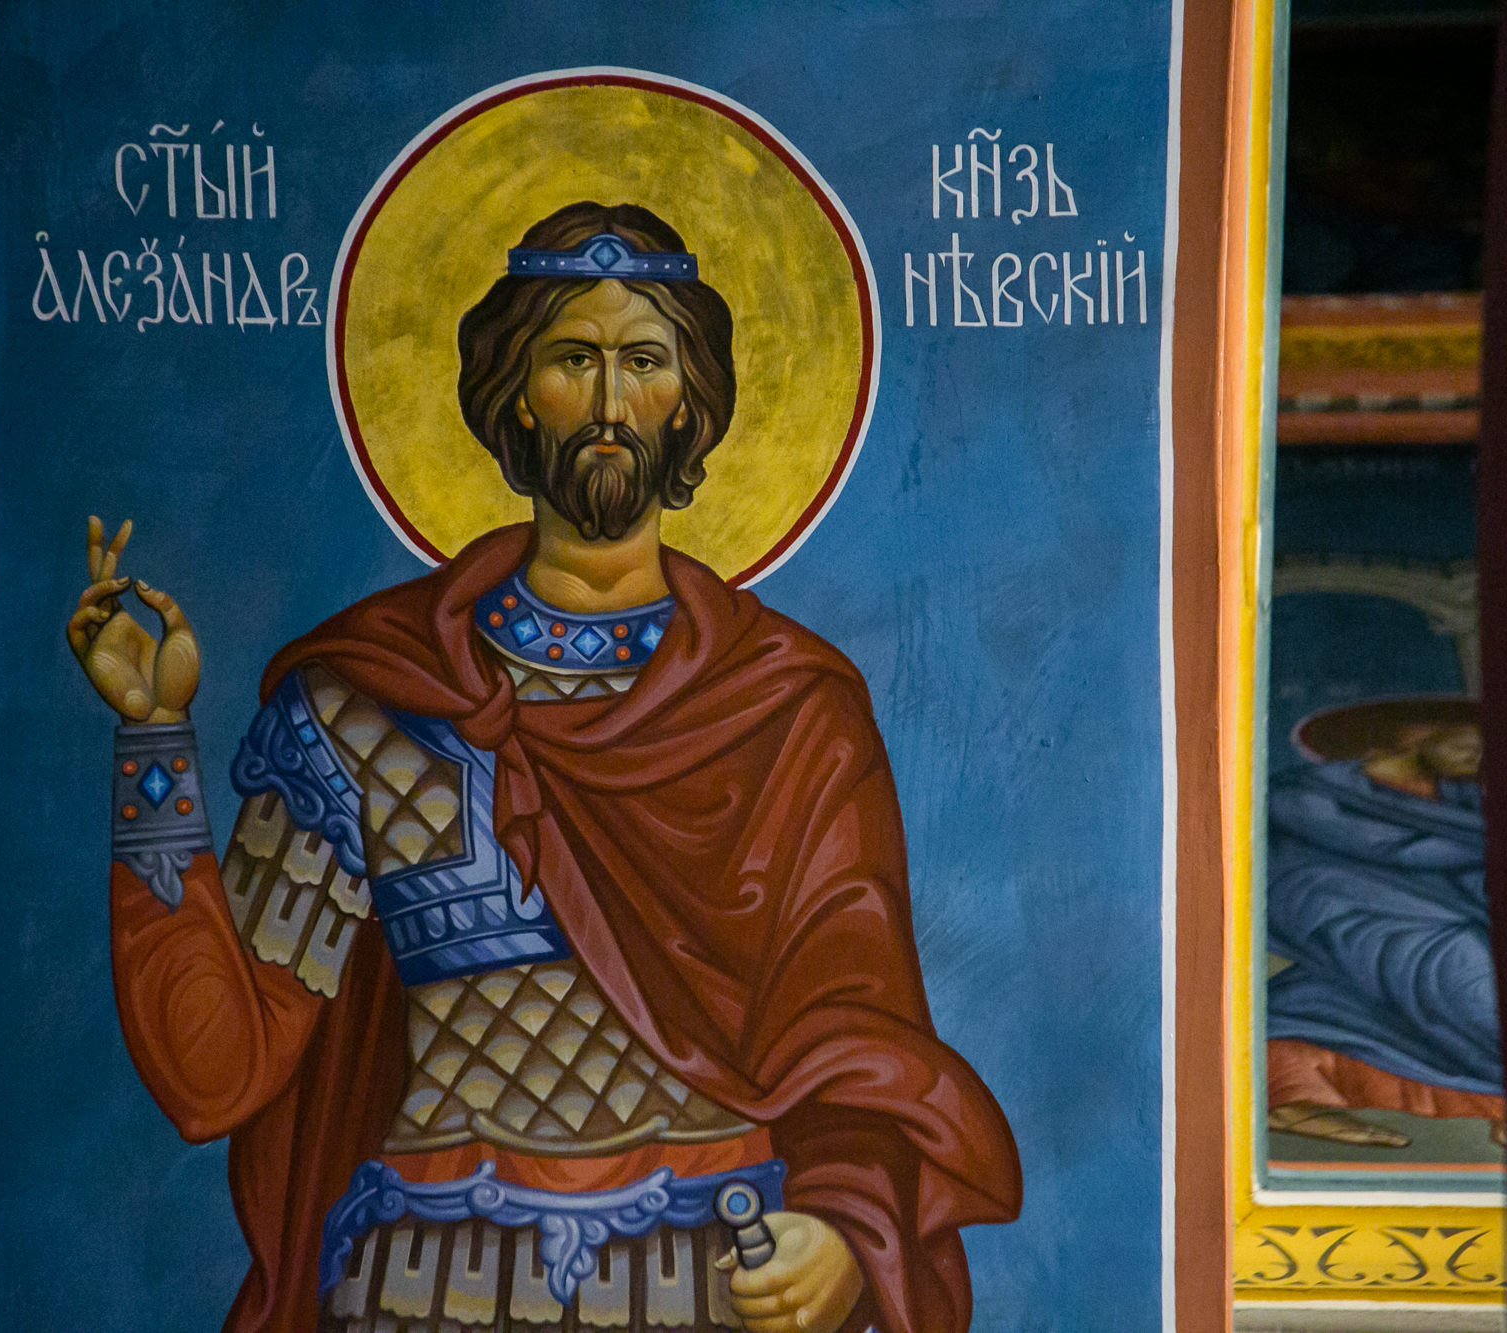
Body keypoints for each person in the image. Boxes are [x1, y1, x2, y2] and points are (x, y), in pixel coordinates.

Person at [68, 202, 1020, 1333]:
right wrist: (154, 743)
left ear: (690, 400)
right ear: (517, 392)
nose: (610, 402)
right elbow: (216, 1066)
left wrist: (846, 1229)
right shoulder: (373, 703)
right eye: (574, 358)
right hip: (432, 1288)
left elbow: (854, 1036)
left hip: (712, 1287)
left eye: (644, 362)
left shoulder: (788, 714)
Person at [1262, 698, 1507, 1151]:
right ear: (1407, 731)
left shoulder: (1468, 803)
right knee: (1468, 978)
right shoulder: (1307, 796)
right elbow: (1293, 879)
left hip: (1449, 919)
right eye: (1466, 734)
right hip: (1355, 915)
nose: (1480, 748)